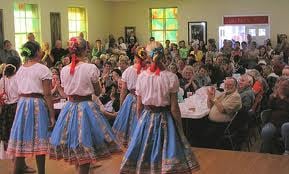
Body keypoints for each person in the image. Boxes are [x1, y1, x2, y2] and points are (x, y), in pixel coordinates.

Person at [120, 42, 200, 173]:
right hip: (165, 119)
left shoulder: (142, 77)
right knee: (166, 151)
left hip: (146, 117)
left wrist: (141, 123)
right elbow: (174, 108)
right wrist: (179, 126)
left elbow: (139, 106)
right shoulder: (171, 77)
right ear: (162, 55)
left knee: (146, 152)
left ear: (148, 57)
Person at [49, 37, 121, 174]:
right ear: (85, 50)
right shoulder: (90, 68)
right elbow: (98, 91)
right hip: (86, 107)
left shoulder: (64, 70)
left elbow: (65, 91)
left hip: (69, 107)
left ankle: (80, 169)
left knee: (75, 139)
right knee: (85, 139)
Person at [7, 41, 55, 174]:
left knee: (21, 137)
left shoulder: (21, 69)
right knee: (40, 138)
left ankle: (17, 170)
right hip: (36, 104)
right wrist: (52, 115)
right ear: (37, 51)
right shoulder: (42, 69)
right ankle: (41, 172)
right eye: (40, 49)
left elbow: (18, 90)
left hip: (22, 104)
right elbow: (47, 94)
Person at [0, 56, 36, 173]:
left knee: (11, 138)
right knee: (19, 138)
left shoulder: (3, 79)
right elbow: (23, 92)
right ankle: (18, 167)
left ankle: (20, 165)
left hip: (6, 110)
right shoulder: (18, 78)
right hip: (17, 108)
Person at [112, 47, 148, 146]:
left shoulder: (128, 71)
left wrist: (121, 106)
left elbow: (123, 90)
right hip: (145, 99)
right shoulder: (149, 70)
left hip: (131, 98)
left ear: (135, 57)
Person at [204, 77, 242, 148]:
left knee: (199, 132)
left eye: (230, 85)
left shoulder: (236, 97)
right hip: (213, 123)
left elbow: (222, 110)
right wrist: (210, 97)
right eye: (226, 84)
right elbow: (210, 106)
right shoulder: (224, 93)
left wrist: (213, 98)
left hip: (222, 126)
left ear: (235, 86)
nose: (227, 86)